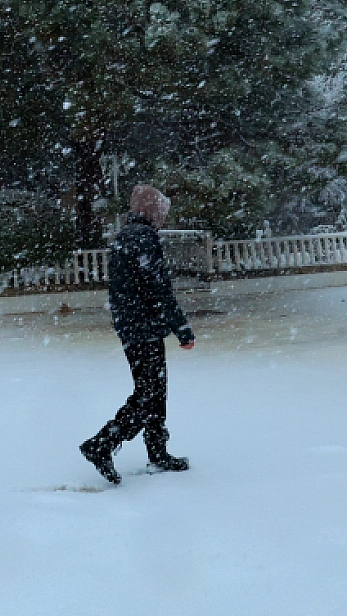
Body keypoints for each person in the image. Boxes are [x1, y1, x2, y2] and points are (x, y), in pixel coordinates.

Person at [80, 184, 195, 484]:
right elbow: (158, 286)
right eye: (161, 212)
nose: (162, 219)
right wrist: (181, 327)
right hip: (142, 326)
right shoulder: (142, 237)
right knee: (149, 393)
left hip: (133, 324)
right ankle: (102, 444)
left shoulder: (128, 235)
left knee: (154, 390)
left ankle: (157, 452)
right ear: (151, 210)